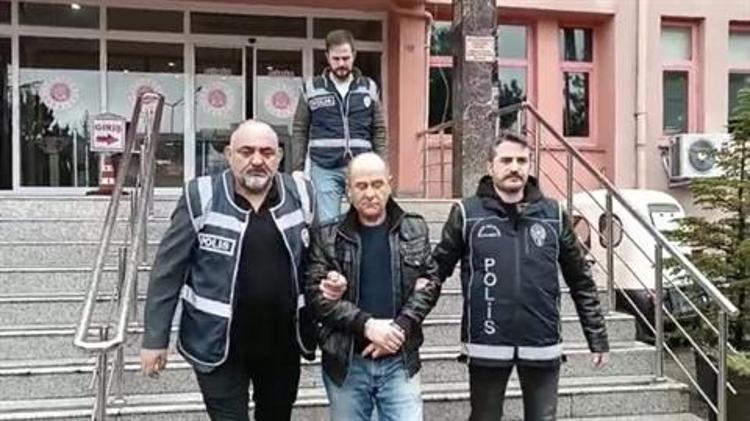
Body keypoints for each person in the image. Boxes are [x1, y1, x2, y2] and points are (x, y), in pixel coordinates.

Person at [140, 120, 345, 421]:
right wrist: (154, 339)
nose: (257, 160)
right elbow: (167, 271)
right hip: (216, 345)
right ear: (228, 154)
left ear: (279, 156)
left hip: (282, 346)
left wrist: (330, 281)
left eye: (267, 152)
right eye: (246, 152)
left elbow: (319, 258)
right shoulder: (202, 196)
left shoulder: (301, 194)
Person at [431, 132, 610, 421]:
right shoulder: (466, 213)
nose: (514, 167)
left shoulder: (553, 214)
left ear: (530, 165)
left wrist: (597, 337)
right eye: (506, 160)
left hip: (541, 342)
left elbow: (581, 280)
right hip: (487, 342)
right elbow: (435, 270)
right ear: (490, 166)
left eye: (521, 161)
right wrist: (407, 322)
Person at [306, 152, 440, 421]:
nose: (370, 193)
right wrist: (368, 326)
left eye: (377, 184)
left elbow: (430, 284)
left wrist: (398, 329)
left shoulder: (414, 228)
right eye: (361, 185)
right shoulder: (327, 235)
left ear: (389, 184)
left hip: (399, 359)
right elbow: (316, 296)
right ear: (349, 190)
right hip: (347, 362)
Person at [292, 29, 388, 223]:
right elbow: (300, 129)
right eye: (336, 59)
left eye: (346, 58)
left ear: (354, 55)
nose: (341, 63)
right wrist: (298, 167)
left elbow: (379, 129)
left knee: (368, 220)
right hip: (324, 167)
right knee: (329, 225)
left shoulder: (368, 87)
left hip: (362, 166)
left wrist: (382, 165)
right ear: (327, 57)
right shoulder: (311, 88)